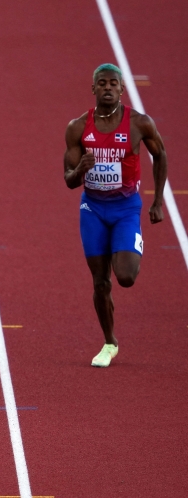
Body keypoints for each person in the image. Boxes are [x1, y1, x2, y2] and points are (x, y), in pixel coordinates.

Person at [63, 63, 167, 368]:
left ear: (122, 89)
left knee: (126, 276)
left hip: (125, 207)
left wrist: (158, 201)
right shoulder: (78, 127)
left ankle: (129, 244)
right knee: (100, 282)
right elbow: (69, 180)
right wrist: (80, 169)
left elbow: (160, 154)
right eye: (102, 83)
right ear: (93, 88)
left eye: (113, 84)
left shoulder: (139, 123)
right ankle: (109, 342)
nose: (107, 88)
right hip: (92, 208)